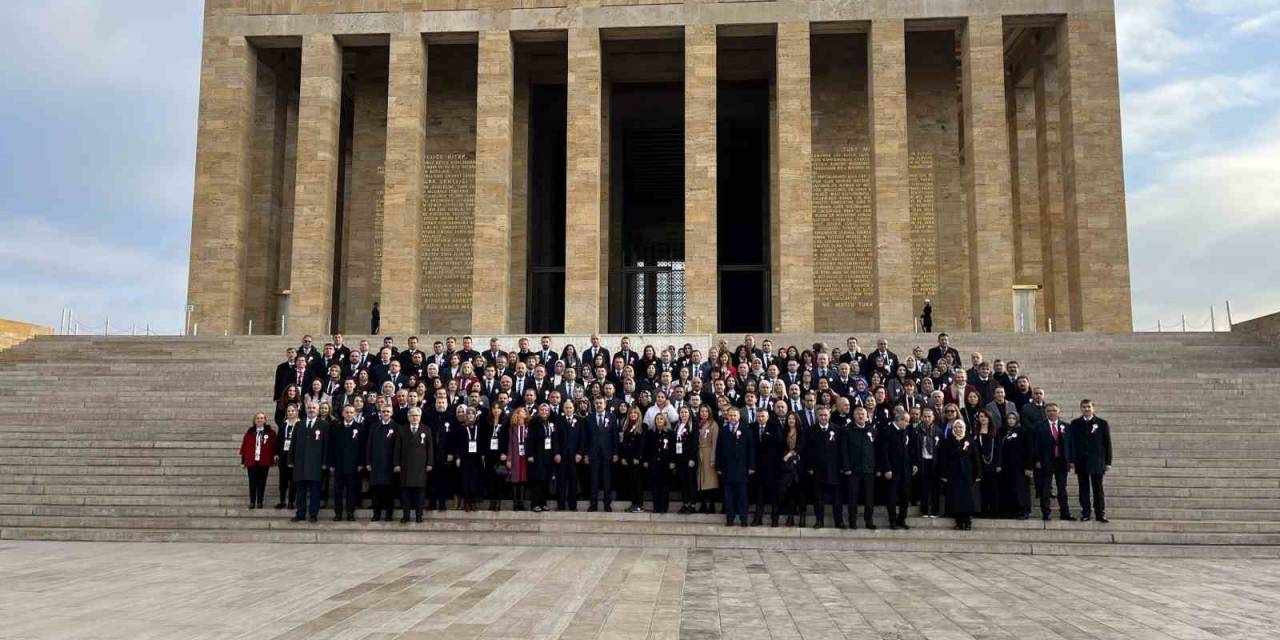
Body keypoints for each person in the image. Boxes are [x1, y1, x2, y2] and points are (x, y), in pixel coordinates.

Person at [1067, 399, 1112, 523]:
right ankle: (1085, 513)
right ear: (1080, 408)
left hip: (1097, 461)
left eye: (1088, 407)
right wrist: (1072, 460)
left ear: (1093, 408)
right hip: (1081, 461)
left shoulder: (1102, 423)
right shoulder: (1075, 423)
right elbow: (1071, 443)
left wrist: (1108, 462)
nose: (1086, 409)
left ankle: (1100, 513)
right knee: (1083, 488)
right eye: (1084, 407)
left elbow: (1107, 443)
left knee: (1098, 489)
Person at [804, 407, 844, 529]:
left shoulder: (837, 429)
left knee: (837, 499)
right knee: (818, 498)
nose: (823, 417)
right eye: (821, 415)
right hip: (818, 470)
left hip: (835, 470)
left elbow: (842, 450)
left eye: (825, 415)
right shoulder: (811, 430)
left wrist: (843, 466)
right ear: (817, 416)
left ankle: (839, 521)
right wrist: (810, 466)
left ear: (829, 416)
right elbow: (808, 451)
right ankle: (819, 521)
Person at [1034, 402, 1075, 521]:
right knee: (1045, 489)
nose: (1052, 413)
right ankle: (1046, 513)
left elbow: (1070, 444)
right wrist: (1037, 459)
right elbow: (1036, 445)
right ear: (1045, 412)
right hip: (1046, 461)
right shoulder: (1039, 426)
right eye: (1049, 411)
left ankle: (1065, 513)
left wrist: (1071, 460)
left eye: (1054, 410)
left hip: (1061, 461)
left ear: (1058, 411)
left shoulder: (1066, 426)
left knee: (1062, 488)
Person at [715, 407, 755, 527]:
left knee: (742, 495)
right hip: (727, 468)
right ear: (727, 416)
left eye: (734, 415)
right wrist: (718, 466)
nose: (732, 417)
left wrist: (751, 466)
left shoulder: (746, 429)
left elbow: (751, 449)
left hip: (742, 468)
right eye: (730, 415)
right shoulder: (724, 429)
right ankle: (730, 518)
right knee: (728, 496)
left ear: (739, 416)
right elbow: (719, 449)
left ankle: (743, 518)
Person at [877, 410, 918, 530]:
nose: (908, 424)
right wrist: (887, 468)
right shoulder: (887, 431)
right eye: (907, 422)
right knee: (892, 496)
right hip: (893, 470)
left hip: (906, 470)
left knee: (905, 496)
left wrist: (914, 463)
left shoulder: (906, 432)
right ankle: (892, 520)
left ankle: (902, 519)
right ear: (900, 420)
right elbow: (884, 452)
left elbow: (910, 449)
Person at [290, 402, 329, 523]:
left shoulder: (324, 424)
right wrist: (291, 460)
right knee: (300, 491)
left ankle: (313, 514)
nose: (311, 410)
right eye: (309, 408)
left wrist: (325, 462)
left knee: (315, 491)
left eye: (314, 408)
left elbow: (326, 445)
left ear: (318, 410)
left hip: (316, 464)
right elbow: (293, 444)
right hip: (300, 463)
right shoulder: (299, 424)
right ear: (306, 410)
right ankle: (300, 513)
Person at [939, 420, 980, 530]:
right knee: (955, 498)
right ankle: (959, 521)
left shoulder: (969, 441)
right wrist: (943, 474)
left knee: (967, 498)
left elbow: (975, 458)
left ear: (964, 428)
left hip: (967, 473)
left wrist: (978, 473)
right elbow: (944, 459)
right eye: (956, 427)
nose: (958, 429)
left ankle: (967, 521)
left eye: (960, 427)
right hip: (953, 473)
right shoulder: (948, 441)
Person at [394, 407, 432, 523]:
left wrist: (430, 463)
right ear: (408, 417)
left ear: (420, 417)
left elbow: (430, 448)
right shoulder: (402, 429)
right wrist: (396, 464)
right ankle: (406, 516)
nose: (415, 417)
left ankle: (419, 516)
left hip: (420, 466)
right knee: (405, 493)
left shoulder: (426, 429)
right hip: (406, 466)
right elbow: (397, 448)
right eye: (412, 415)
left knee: (420, 494)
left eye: (417, 415)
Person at [842, 406, 877, 530]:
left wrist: (875, 468)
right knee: (853, 497)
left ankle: (869, 521)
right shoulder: (847, 430)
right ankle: (852, 521)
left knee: (869, 497)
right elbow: (844, 451)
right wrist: (846, 467)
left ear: (866, 416)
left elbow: (875, 450)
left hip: (868, 470)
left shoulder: (872, 430)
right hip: (853, 470)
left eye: (863, 414)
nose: (860, 416)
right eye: (858, 414)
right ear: (854, 416)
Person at [329, 405, 365, 521]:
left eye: (351, 412)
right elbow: (332, 447)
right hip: (338, 465)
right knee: (338, 491)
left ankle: (350, 512)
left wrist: (360, 463)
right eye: (347, 412)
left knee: (351, 491)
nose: (349, 414)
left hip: (353, 466)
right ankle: (338, 513)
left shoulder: (359, 427)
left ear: (354, 414)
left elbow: (362, 448)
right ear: (343, 414)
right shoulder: (336, 427)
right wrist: (332, 464)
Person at [996, 411, 1033, 519]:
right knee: (1008, 488)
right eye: (1009, 418)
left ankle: (1024, 510)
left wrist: (1028, 466)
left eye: (1013, 418)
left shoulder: (1023, 431)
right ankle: (1011, 510)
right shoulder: (1002, 431)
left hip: (1020, 466)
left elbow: (1029, 450)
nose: (1011, 420)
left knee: (1021, 489)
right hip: (1006, 466)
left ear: (1017, 419)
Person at [366, 405, 398, 522]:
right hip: (376, 464)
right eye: (383, 411)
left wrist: (396, 464)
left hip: (390, 465)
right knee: (376, 490)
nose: (385, 413)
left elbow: (397, 447)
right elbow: (369, 445)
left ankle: (389, 514)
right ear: (380, 413)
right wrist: (368, 461)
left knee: (389, 490)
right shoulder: (374, 426)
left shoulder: (396, 427)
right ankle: (376, 513)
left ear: (392, 412)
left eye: (388, 411)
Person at [750, 408, 782, 527]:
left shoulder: (774, 426)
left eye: (763, 416)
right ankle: (758, 518)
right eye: (758, 416)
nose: (760, 419)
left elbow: (779, 443)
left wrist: (767, 438)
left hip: (772, 466)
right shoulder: (752, 427)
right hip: (758, 466)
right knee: (759, 494)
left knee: (774, 495)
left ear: (767, 417)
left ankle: (775, 519)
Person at [585, 397, 617, 512]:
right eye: (597, 403)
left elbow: (615, 436)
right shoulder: (589, 418)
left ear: (605, 404)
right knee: (594, 480)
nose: (599, 405)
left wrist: (615, 453)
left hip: (607, 453)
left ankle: (607, 504)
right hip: (593, 454)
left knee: (607, 480)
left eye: (601, 403)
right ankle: (593, 504)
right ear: (594, 404)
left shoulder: (612, 417)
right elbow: (586, 437)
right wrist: (586, 454)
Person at [239, 413, 275, 509]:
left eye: (262, 418)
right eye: (257, 418)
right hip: (252, 461)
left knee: (262, 482)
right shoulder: (249, 433)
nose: (260, 420)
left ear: (265, 420)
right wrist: (243, 461)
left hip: (264, 461)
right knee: (252, 482)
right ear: (254, 421)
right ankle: (252, 501)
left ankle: (259, 501)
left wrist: (274, 458)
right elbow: (244, 447)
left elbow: (274, 447)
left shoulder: (270, 433)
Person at [553, 399, 585, 511]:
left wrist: (580, 453)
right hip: (561, 456)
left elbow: (582, 438)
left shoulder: (580, 421)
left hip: (574, 456)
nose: (568, 409)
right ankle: (561, 505)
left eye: (570, 407)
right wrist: (556, 453)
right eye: (566, 408)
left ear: (574, 408)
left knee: (573, 482)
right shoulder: (558, 420)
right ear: (563, 409)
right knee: (561, 482)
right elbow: (555, 438)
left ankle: (573, 506)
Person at [644, 412, 676, 514]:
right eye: (657, 419)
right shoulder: (650, 433)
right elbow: (646, 448)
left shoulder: (670, 433)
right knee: (655, 486)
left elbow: (673, 449)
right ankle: (656, 506)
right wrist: (646, 460)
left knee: (664, 487)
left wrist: (672, 461)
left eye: (661, 419)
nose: (659, 421)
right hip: (654, 463)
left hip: (665, 463)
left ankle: (663, 507)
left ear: (665, 421)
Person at [455, 406, 485, 512]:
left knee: (475, 480)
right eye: (468, 413)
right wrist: (458, 457)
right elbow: (457, 443)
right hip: (465, 457)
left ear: (475, 415)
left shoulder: (479, 427)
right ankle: (466, 502)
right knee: (465, 480)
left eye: (473, 413)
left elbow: (482, 442)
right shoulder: (461, 427)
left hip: (476, 458)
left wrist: (482, 455)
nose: (470, 415)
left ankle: (473, 502)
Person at [915, 407, 942, 518]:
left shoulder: (938, 431)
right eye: (925, 416)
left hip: (934, 462)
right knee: (924, 486)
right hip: (922, 460)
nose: (927, 419)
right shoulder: (917, 430)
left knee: (935, 487)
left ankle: (935, 510)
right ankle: (924, 510)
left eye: (929, 416)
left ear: (933, 417)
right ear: (921, 417)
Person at [780, 412, 806, 527]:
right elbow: (782, 446)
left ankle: (802, 516)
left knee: (801, 491)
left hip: (799, 464)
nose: (791, 420)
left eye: (793, 418)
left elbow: (802, 445)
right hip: (788, 466)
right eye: (789, 418)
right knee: (790, 491)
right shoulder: (784, 431)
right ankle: (790, 516)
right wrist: (786, 455)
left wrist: (791, 453)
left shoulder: (801, 431)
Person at [619, 406, 646, 513]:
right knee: (631, 482)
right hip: (628, 459)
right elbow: (623, 443)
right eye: (631, 413)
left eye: (635, 413)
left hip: (637, 460)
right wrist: (624, 457)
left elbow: (643, 444)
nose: (633, 414)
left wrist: (637, 457)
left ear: (639, 414)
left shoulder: (643, 426)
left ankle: (639, 504)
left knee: (637, 482)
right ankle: (634, 503)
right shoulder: (626, 426)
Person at [975, 409, 1001, 518]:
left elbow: (999, 449)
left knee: (993, 489)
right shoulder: (976, 432)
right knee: (982, 489)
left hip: (993, 464)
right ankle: (983, 510)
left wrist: (999, 464)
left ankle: (994, 511)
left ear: (989, 418)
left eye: (985, 416)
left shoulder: (995, 431)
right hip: (981, 465)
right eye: (981, 416)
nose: (983, 418)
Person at [274, 403, 300, 510]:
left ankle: (291, 501)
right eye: (288, 411)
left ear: (296, 412)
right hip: (283, 454)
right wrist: (276, 453)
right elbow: (279, 440)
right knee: (282, 479)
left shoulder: (300, 424)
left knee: (293, 479)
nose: (290, 413)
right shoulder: (283, 424)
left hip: (294, 455)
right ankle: (282, 501)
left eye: (292, 411)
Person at [696, 405, 720, 514]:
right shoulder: (697, 424)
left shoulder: (713, 425)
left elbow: (715, 443)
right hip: (699, 454)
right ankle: (703, 504)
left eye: (706, 411)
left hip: (709, 453)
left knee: (710, 481)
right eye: (702, 411)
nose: (704, 413)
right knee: (700, 480)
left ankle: (711, 505)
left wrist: (713, 458)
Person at [674, 406, 699, 514]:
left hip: (689, 458)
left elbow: (694, 443)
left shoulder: (693, 425)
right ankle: (685, 503)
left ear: (689, 414)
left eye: (685, 412)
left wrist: (692, 458)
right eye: (682, 412)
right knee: (683, 481)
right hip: (680, 458)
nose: (683, 414)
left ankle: (692, 504)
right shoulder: (677, 425)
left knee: (690, 482)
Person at [507, 406, 531, 511]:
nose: (523, 413)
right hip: (515, 456)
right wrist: (509, 458)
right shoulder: (512, 428)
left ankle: (522, 503)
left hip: (525, 456)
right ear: (517, 413)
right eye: (522, 411)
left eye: (525, 412)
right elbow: (510, 444)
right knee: (515, 479)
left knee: (523, 479)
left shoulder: (528, 427)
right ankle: (515, 503)